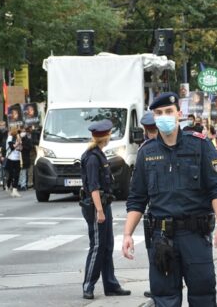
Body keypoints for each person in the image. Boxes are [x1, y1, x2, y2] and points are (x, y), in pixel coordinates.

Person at [122, 92, 217, 306]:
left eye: (169, 112)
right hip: (161, 239)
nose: (164, 116)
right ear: (154, 116)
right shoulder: (146, 153)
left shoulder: (200, 145)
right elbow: (137, 199)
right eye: (159, 113)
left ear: (179, 113)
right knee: (164, 298)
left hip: (195, 236)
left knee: (203, 296)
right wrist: (127, 234)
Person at [80, 119, 130, 300]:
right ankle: (88, 285)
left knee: (107, 246)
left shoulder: (98, 154)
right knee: (98, 246)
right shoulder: (93, 158)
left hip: (103, 205)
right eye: (109, 134)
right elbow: (93, 187)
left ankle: (111, 285)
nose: (110, 137)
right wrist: (100, 211)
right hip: (96, 206)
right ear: (105, 137)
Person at [4, 128, 22, 198]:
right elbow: (11, 147)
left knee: (17, 174)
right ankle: (8, 185)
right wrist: (17, 143)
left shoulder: (18, 138)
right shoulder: (10, 137)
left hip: (17, 158)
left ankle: (15, 189)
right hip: (11, 158)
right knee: (11, 174)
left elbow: (20, 149)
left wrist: (20, 143)